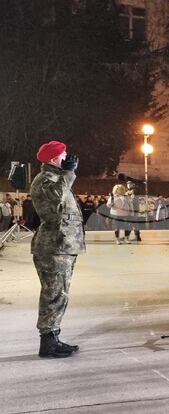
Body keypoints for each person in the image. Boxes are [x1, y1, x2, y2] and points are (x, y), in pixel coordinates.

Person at [30, 141, 84, 358]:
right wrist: (69, 173)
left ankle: (53, 337)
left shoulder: (55, 177)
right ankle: (48, 343)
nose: (67, 159)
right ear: (53, 159)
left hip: (62, 245)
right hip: (53, 245)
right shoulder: (46, 179)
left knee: (59, 293)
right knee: (54, 294)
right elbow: (57, 196)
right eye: (63, 156)